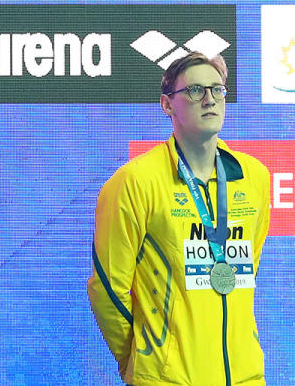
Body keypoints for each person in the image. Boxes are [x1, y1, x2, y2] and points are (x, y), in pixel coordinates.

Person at [87, 52, 271, 386]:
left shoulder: (253, 177)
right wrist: (143, 357)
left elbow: (247, 269)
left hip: (246, 377)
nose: (210, 99)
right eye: (196, 90)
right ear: (167, 104)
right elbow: (108, 289)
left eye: (217, 90)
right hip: (168, 378)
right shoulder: (135, 181)